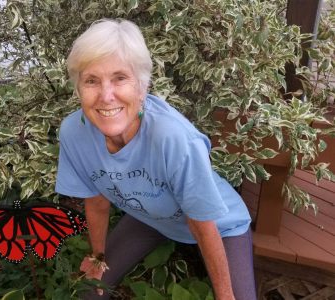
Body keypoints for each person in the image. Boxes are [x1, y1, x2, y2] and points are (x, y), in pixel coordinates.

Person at [55, 18, 256, 300]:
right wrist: (97, 257)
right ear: (79, 88)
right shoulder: (74, 133)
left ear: (142, 85)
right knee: (91, 292)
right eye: (91, 80)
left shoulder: (173, 138)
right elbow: (97, 200)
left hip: (219, 225)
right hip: (149, 217)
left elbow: (200, 222)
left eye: (119, 78)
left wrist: (226, 297)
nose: (106, 95)